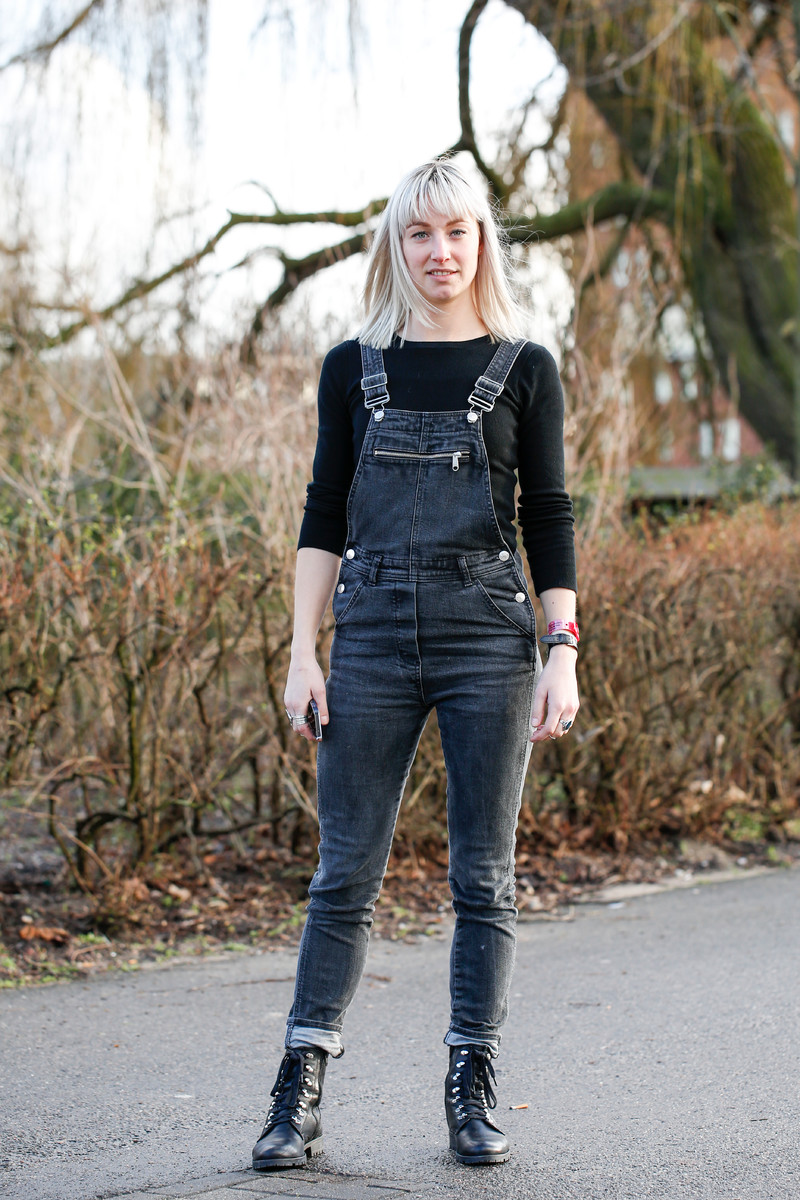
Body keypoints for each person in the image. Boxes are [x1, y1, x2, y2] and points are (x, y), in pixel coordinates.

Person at [252, 158, 579, 1170]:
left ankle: (471, 1082)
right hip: (373, 636)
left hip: (489, 637)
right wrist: (302, 651)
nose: (440, 252)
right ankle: (298, 1087)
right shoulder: (353, 367)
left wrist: (560, 650)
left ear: (483, 242)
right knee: (343, 873)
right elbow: (323, 511)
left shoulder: (525, 367)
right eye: (419, 234)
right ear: (395, 247)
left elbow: (548, 514)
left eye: (458, 232)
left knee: (483, 876)